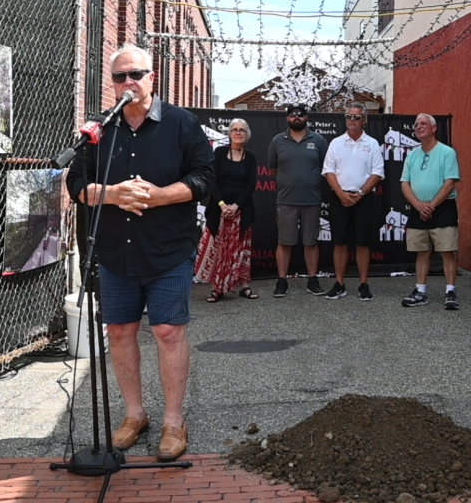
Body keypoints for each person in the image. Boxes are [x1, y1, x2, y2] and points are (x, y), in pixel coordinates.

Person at [66, 43, 214, 462]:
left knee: (168, 332)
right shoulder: (98, 130)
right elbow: (76, 183)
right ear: (112, 84)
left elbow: (204, 178)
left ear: (153, 78)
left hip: (167, 249)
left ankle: (173, 420)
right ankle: (135, 415)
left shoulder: (183, 124)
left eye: (137, 74)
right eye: (120, 76)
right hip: (115, 251)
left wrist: (160, 196)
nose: (128, 82)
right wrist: (112, 194)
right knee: (119, 333)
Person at [321, 103, 385, 300]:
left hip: (363, 199)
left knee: (362, 243)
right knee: (340, 242)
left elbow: (377, 172)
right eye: (349, 117)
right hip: (340, 198)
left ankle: (363, 284)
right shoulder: (336, 143)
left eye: (357, 117)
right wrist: (341, 194)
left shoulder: (372, 143)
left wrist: (360, 193)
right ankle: (340, 283)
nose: (352, 120)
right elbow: (328, 171)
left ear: (364, 120)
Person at [399, 113, 461, 310]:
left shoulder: (447, 152)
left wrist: (431, 205)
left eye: (424, 123)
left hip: (442, 208)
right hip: (418, 208)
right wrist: (418, 205)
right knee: (422, 252)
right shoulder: (411, 154)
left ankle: (450, 291)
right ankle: (420, 291)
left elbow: (450, 182)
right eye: (416, 124)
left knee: (447, 251)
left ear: (434, 128)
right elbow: (404, 183)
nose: (418, 127)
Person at [268, 103, 328, 297]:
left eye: (300, 115)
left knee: (311, 241)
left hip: (312, 199)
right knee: (284, 242)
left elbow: (326, 168)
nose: (296, 118)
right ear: (287, 118)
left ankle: (312, 280)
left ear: (307, 117)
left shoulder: (318, 140)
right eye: (292, 115)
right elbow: (273, 169)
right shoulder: (277, 141)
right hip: (286, 200)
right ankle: (282, 281)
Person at [195, 118, 258, 301]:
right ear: (229, 134)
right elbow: (212, 181)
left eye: (242, 130)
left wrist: (236, 206)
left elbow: (251, 184)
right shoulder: (220, 153)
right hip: (219, 210)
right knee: (219, 248)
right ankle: (217, 288)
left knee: (241, 250)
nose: (238, 133)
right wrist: (222, 205)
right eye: (235, 130)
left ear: (247, 135)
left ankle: (244, 287)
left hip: (242, 210)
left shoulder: (251, 157)